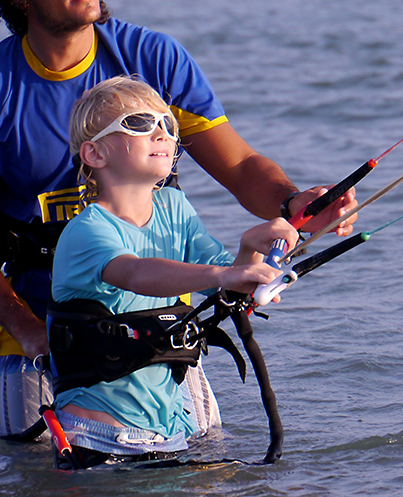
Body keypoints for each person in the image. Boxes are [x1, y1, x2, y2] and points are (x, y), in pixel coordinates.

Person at [0, 0, 356, 439]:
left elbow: (240, 166)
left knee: (204, 478)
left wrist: (294, 203)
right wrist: (28, 331)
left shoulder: (154, 59)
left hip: (163, 335)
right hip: (41, 343)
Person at [47, 76, 300, 467]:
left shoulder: (175, 208)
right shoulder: (87, 230)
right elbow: (134, 274)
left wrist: (252, 250)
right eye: (139, 124)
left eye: (167, 125)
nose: (161, 133)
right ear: (94, 154)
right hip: (104, 432)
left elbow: (228, 276)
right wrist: (221, 276)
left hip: (171, 425)